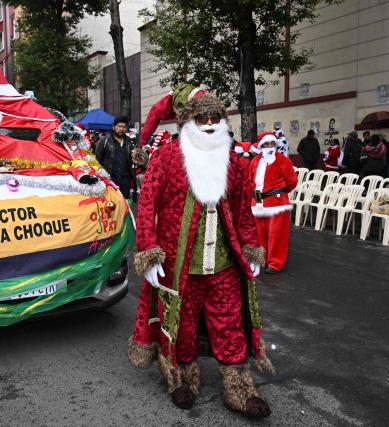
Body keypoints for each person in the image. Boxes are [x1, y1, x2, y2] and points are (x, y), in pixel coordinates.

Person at [128, 93, 274, 418]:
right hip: (181, 266)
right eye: (201, 119)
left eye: (214, 119)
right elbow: (148, 203)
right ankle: (182, 380)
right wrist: (149, 252)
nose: (209, 125)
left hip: (222, 265)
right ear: (188, 122)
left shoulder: (232, 161)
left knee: (230, 325)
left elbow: (243, 209)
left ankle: (239, 389)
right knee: (182, 326)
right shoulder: (166, 158)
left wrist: (251, 247)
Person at [249, 134, 298, 274]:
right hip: (259, 202)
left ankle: (275, 263)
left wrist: (280, 193)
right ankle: (263, 259)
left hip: (277, 203)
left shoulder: (283, 160)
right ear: (261, 146)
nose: (270, 147)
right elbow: (251, 181)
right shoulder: (255, 161)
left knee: (277, 234)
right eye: (267, 144)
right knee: (260, 234)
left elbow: (292, 181)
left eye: (272, 144)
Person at [94, 116, 136, 199]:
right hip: (110, 179)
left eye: (123, 127)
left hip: (125, 179)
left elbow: (133, 159)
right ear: (114, 127)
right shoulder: (104, 140)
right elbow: (97, 159)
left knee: (124, 203)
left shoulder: (129, 142)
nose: (121, 129)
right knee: (110, 204)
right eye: (119, 126)